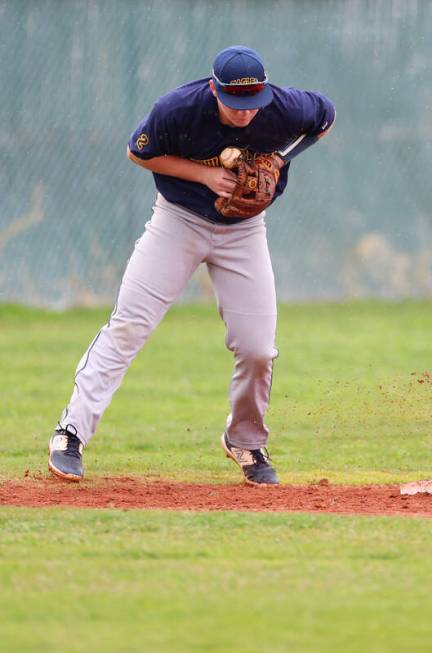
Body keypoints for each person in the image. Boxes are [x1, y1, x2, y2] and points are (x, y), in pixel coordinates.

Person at [47, 45, 336, 485]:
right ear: (213, 89)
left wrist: (280, 158)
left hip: (243, 231)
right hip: (177, 221)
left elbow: (325, 119)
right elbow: (138, 153)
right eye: (235, 104)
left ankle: (245, 440)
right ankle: (71, 433)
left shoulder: (284, 106)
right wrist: (202, 175)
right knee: (129, 326)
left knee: (258, 348)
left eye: (252, 104)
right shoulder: (177, 109)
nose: (244, 114)